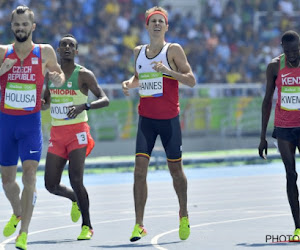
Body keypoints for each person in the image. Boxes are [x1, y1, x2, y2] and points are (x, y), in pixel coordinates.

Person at [122, 6, 196, 242]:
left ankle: (183, 214)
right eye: (152, 21)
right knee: (139, 171)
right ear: (146, 25)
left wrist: (167, 71)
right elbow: (138, 79)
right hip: (146, 120)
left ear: (166, 26)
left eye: (160, 21)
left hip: (169, 122)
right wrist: (127, 84)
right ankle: (139, 224)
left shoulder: (173, 50)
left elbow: (191, 80)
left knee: (175, 171)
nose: (156, 24)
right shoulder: (138, 52)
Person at [0, 5, 65, 250]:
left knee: (29, 176)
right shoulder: (3, 52)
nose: (20, 28)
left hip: (30, 125)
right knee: (7, 181)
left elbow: (57, 75)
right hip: (6, 124)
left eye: (24, 25)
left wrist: (57, 78)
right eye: (16, 25)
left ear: (33, 27)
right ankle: (18, 212)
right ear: (11, 27)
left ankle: (23, 233)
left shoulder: (45, 51)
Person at [42, 34, 109, 240]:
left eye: (72, 45)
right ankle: (74, 199)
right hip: (57, 133)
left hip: (78, 132)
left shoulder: (84, 74)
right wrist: (40, 103)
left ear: (77, 51)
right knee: (50, 185)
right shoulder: (50, 75)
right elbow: (46, 101)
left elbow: (104, 99)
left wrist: (84, 105)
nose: (68, 47)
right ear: (58, 51)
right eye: (64, 45)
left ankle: (87, 225)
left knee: (76, 179)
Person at [259, 30, 300, 241]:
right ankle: (298, 227)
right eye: (288, 51)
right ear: (282, 49)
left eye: (296, 51)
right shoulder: (275, 67)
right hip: (284, 127)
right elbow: (267, 101)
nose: (292, 55)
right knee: (291, 175)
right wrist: (262, 136)